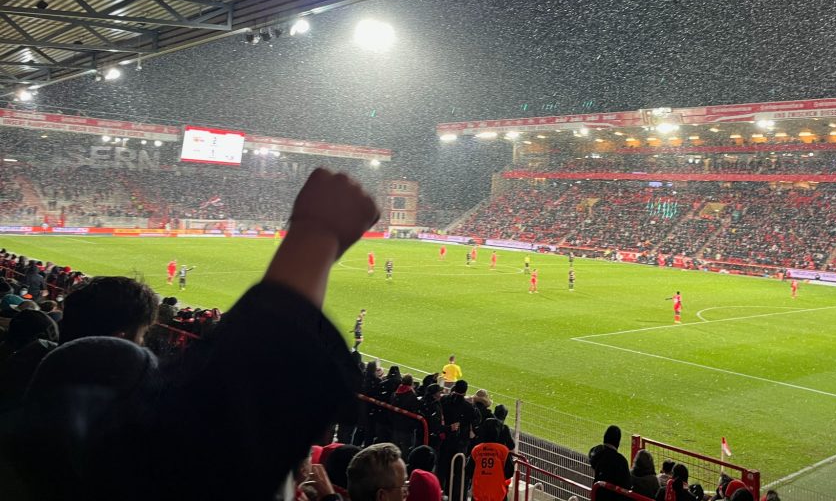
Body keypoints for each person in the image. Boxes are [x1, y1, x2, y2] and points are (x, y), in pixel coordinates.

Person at [5, 166, 380, 501]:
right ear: (122, 337)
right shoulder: (122, 452)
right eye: (140, 339)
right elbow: (230, 408)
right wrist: (315, 235)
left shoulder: (28, 424)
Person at [468, 419, 514, 501]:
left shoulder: (476, 450)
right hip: (498, 493)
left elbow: (469, 470)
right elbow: (510, 472)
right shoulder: (503, 450)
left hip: (479, 493)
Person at [589, 425, 632, 501]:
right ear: (618, 442)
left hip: (597, 495)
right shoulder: (621, 461)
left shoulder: (597, 453)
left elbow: (593, 452)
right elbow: (627, 485)